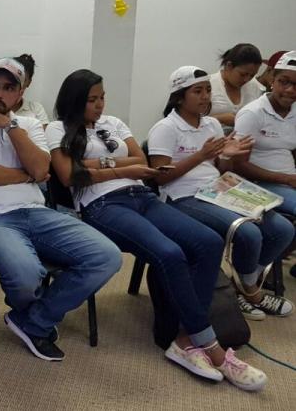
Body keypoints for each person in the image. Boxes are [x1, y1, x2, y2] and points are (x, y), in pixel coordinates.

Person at [47, 68, 267, 391]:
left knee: (208, 242)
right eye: (92, 99)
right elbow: (69, 175)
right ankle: (212, 347)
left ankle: (185, 339)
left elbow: (142, 159)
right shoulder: (57, 128)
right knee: (170, 254)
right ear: (74, 100)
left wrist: (96, 166)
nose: (100, 104)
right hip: (102, 205)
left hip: (142, 196)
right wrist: (121, 168)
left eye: (102, 97)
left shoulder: (114, 123)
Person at [0, 58, 122, 362]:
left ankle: (33, 321)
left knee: (107, 256)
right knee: (27, 274)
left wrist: (11, 127)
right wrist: (26, 176)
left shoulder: (27, 125)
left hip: (37, 213)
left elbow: (41, 169)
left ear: (20, 95)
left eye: (8, 88)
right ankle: (36, 320)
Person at [147, 66, 293, 319]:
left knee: (282, 229)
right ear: (179, 97)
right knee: (248, 232)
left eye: (207, 90)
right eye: (197, 91)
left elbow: (221, 169)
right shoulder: (165, 128)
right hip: (182, 196)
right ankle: (251, 292)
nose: (205, 96)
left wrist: (226, 156)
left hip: (217, 188)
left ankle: (244, 283)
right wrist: (200, 155)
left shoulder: (212, 124)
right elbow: (160, 178)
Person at [233, 50, 296, 218]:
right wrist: (287, 179)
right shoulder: (253, 113)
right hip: (259, 183)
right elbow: (238, 164)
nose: (290, 90)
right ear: (272, 80)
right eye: (284, 82)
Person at [209, 43, 264, 128]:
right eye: (242, 74)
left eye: (252, 75)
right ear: (229, 66)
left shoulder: (255, 86)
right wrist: (219, 119)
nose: (247, 79)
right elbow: (191, 122)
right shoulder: (208, 86)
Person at [11, 53, 50, 124]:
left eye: (23, 79)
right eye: (14, 78)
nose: (17, 83)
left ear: (29, 82)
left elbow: (44, 131)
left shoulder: (36, 109)